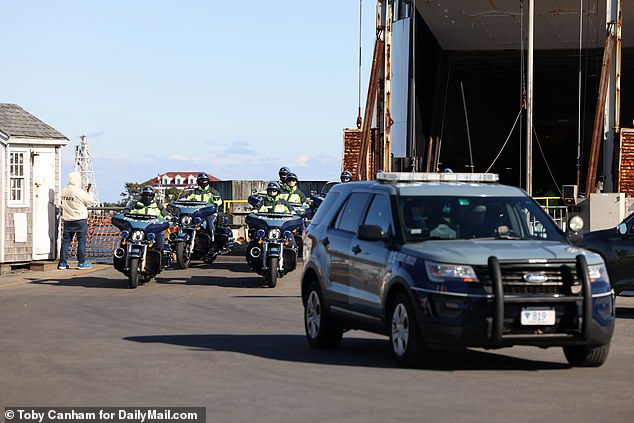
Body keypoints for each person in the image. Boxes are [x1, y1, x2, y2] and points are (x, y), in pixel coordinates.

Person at [58, 171, 94, 270]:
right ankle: (81, 263)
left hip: (68, 219)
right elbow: (89, 201)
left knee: (66, 241)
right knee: (81, 241)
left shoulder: (64, 190)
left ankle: (62, 263)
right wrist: (89, 192)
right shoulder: (79, 192)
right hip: (80, 219)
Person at [128, 186, 170, 251]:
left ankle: (160, 251)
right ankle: (122, 253)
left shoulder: (157, 205)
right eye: (145, 195)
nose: (147, 197)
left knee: (160, 232)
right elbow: (127, 211)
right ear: (142, 196)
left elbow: (165, 213)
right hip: (137, 228)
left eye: (149, 196)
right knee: (126, 234)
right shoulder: (135, 205)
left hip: (153, 228)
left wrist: (168, 217)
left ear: (153, 196)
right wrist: (124, 213)